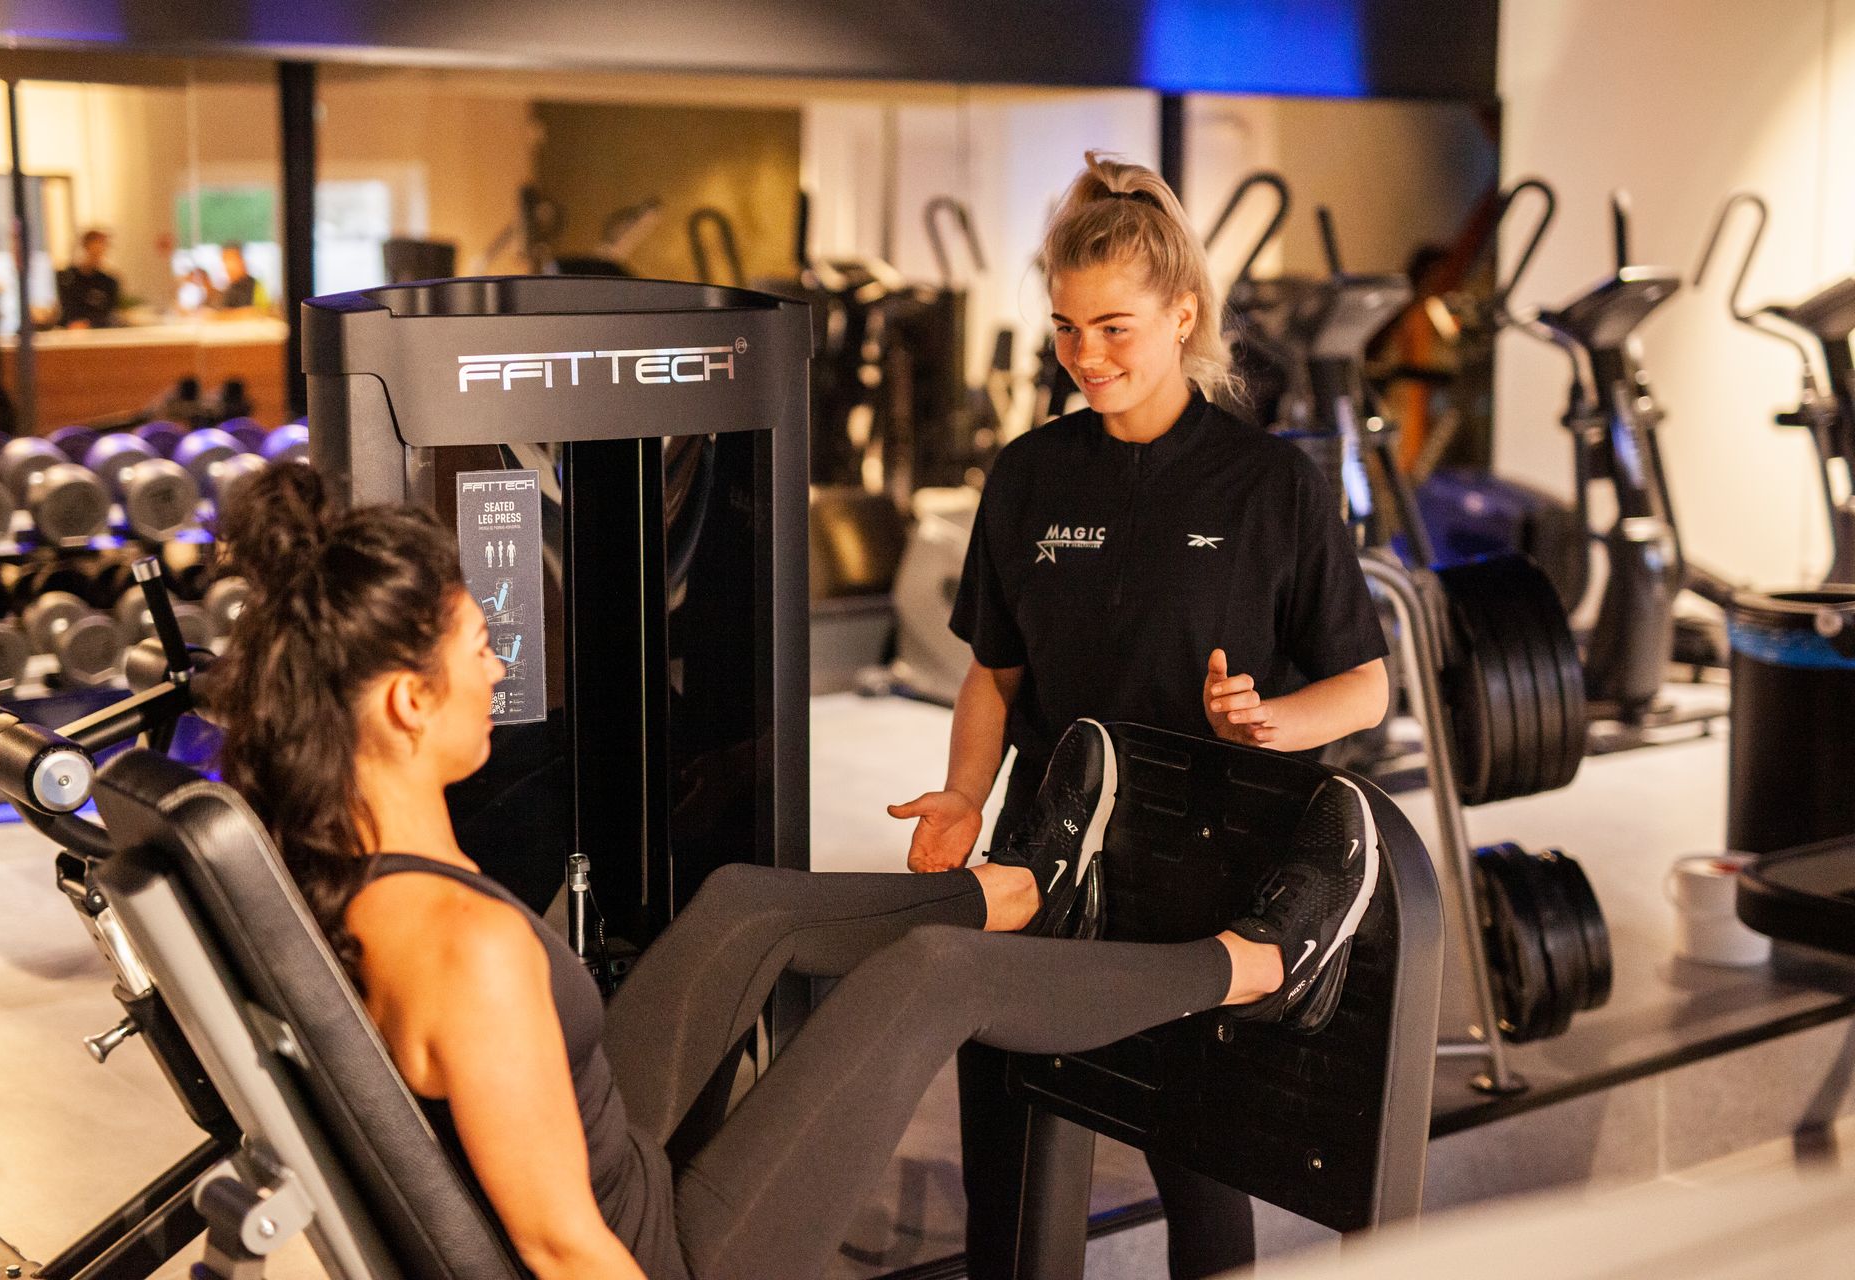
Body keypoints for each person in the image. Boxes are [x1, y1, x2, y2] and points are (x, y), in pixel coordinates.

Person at [208, 461, 1382, 1280]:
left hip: (603, 1130)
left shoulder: (348, 851)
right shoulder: (467, 952)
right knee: (931, 978)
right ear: (408, 701)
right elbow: (567, 1245)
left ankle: (1019, 885)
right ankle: (1262, 961)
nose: (503, 657)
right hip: (660, 1251)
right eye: (479, 646)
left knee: (741, 908)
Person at [888, 152, 1391, 1279]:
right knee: (1009, 1152)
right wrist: (966, 793)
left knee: (1199, 1168)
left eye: (1114, 327)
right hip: (1043, 849)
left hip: (1200, 862)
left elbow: (1366, 685)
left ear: (1184, 311)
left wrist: (1271, 721)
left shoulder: (1271, 486)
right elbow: (995, 675)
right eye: (1067, 328)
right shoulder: (1026, 476)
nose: (1086, 356)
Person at [56, 229, 122, 328]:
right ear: (86, 246)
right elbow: (66, 306)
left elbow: (108, 312)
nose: (98, 251)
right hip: (68, 330)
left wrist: (88, 324)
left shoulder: (109, 282)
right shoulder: (67, 277)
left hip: (97, 332)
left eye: (102, 246)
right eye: (95, 246)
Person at [210, 242, 270, 312]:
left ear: (242, 259)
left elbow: (263, 312)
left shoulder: (256, 286)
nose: (227, 266)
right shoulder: (229, 288)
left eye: (231, 259)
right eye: (225, 259)